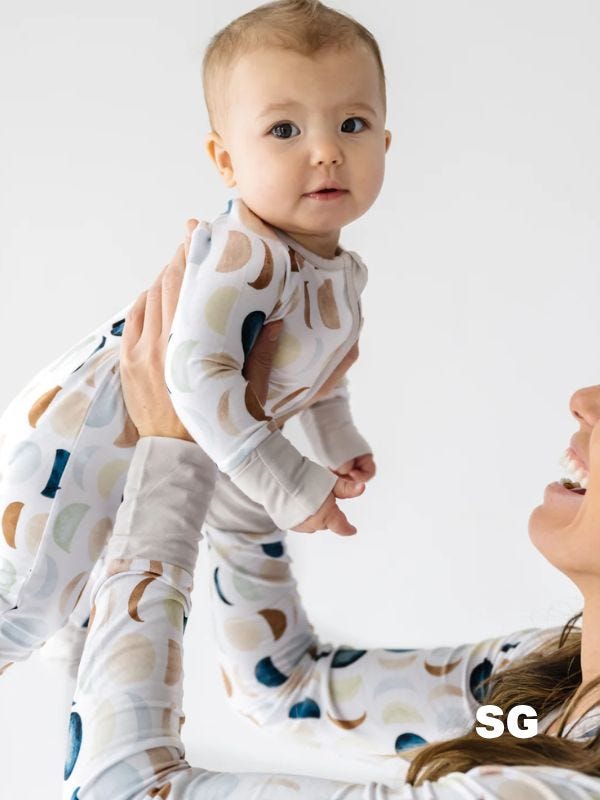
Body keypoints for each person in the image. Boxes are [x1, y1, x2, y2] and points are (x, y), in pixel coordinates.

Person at [63, 238, 600, 798]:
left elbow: (118, 789)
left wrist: (171, 462)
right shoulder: (545, 688)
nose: (585, 399)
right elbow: (287, 686)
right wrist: (244, 456)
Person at [0, 0, 389, 674]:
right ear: (225, 160)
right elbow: (195, 379)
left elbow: (323, 369)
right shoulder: (250, 254)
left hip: (139, 467)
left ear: (385, 145)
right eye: (285, 129)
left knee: (80, 612)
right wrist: (292, 485)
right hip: (77, 448)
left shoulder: (337, 267)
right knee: (23, 608)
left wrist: (335, 439)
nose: (326, 150)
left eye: (352, 124)